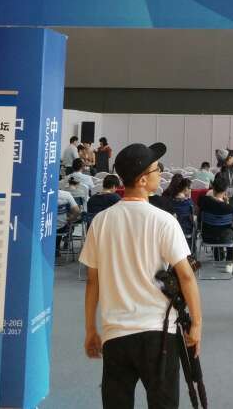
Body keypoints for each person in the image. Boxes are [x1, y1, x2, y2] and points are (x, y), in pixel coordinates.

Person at [81, 142, 202, 409]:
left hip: (115, 333)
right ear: (143, 180)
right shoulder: (164, 221)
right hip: (159, 333)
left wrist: (90, 329)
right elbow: (186, 276)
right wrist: (197, 323)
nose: (160, 173)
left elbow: (92, 281)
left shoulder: (101, 221)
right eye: (156, 169)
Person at [197, 176, 233, 272]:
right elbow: (231, 223)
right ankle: (230, 263)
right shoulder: (228, 208)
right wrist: (226, 203)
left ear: (213, 188)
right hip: (224, 239)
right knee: (232, 228)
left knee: (228, 227)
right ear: (226, 190)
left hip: (206, 237)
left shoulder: (202, 200)